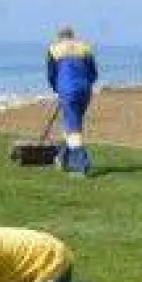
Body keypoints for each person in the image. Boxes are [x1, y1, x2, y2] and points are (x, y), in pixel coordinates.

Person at [46, 25, 99, 176]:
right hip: (85, 90)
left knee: (73, 128)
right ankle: (63, 159)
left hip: (67, 90)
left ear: (59, 37)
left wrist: (58, 89)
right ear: (72, 36)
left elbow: (51, 74)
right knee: (72, 123)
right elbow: (93, 73)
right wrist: (84, 84)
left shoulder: (54, 49)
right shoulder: (84, 48)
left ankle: (82, 165)